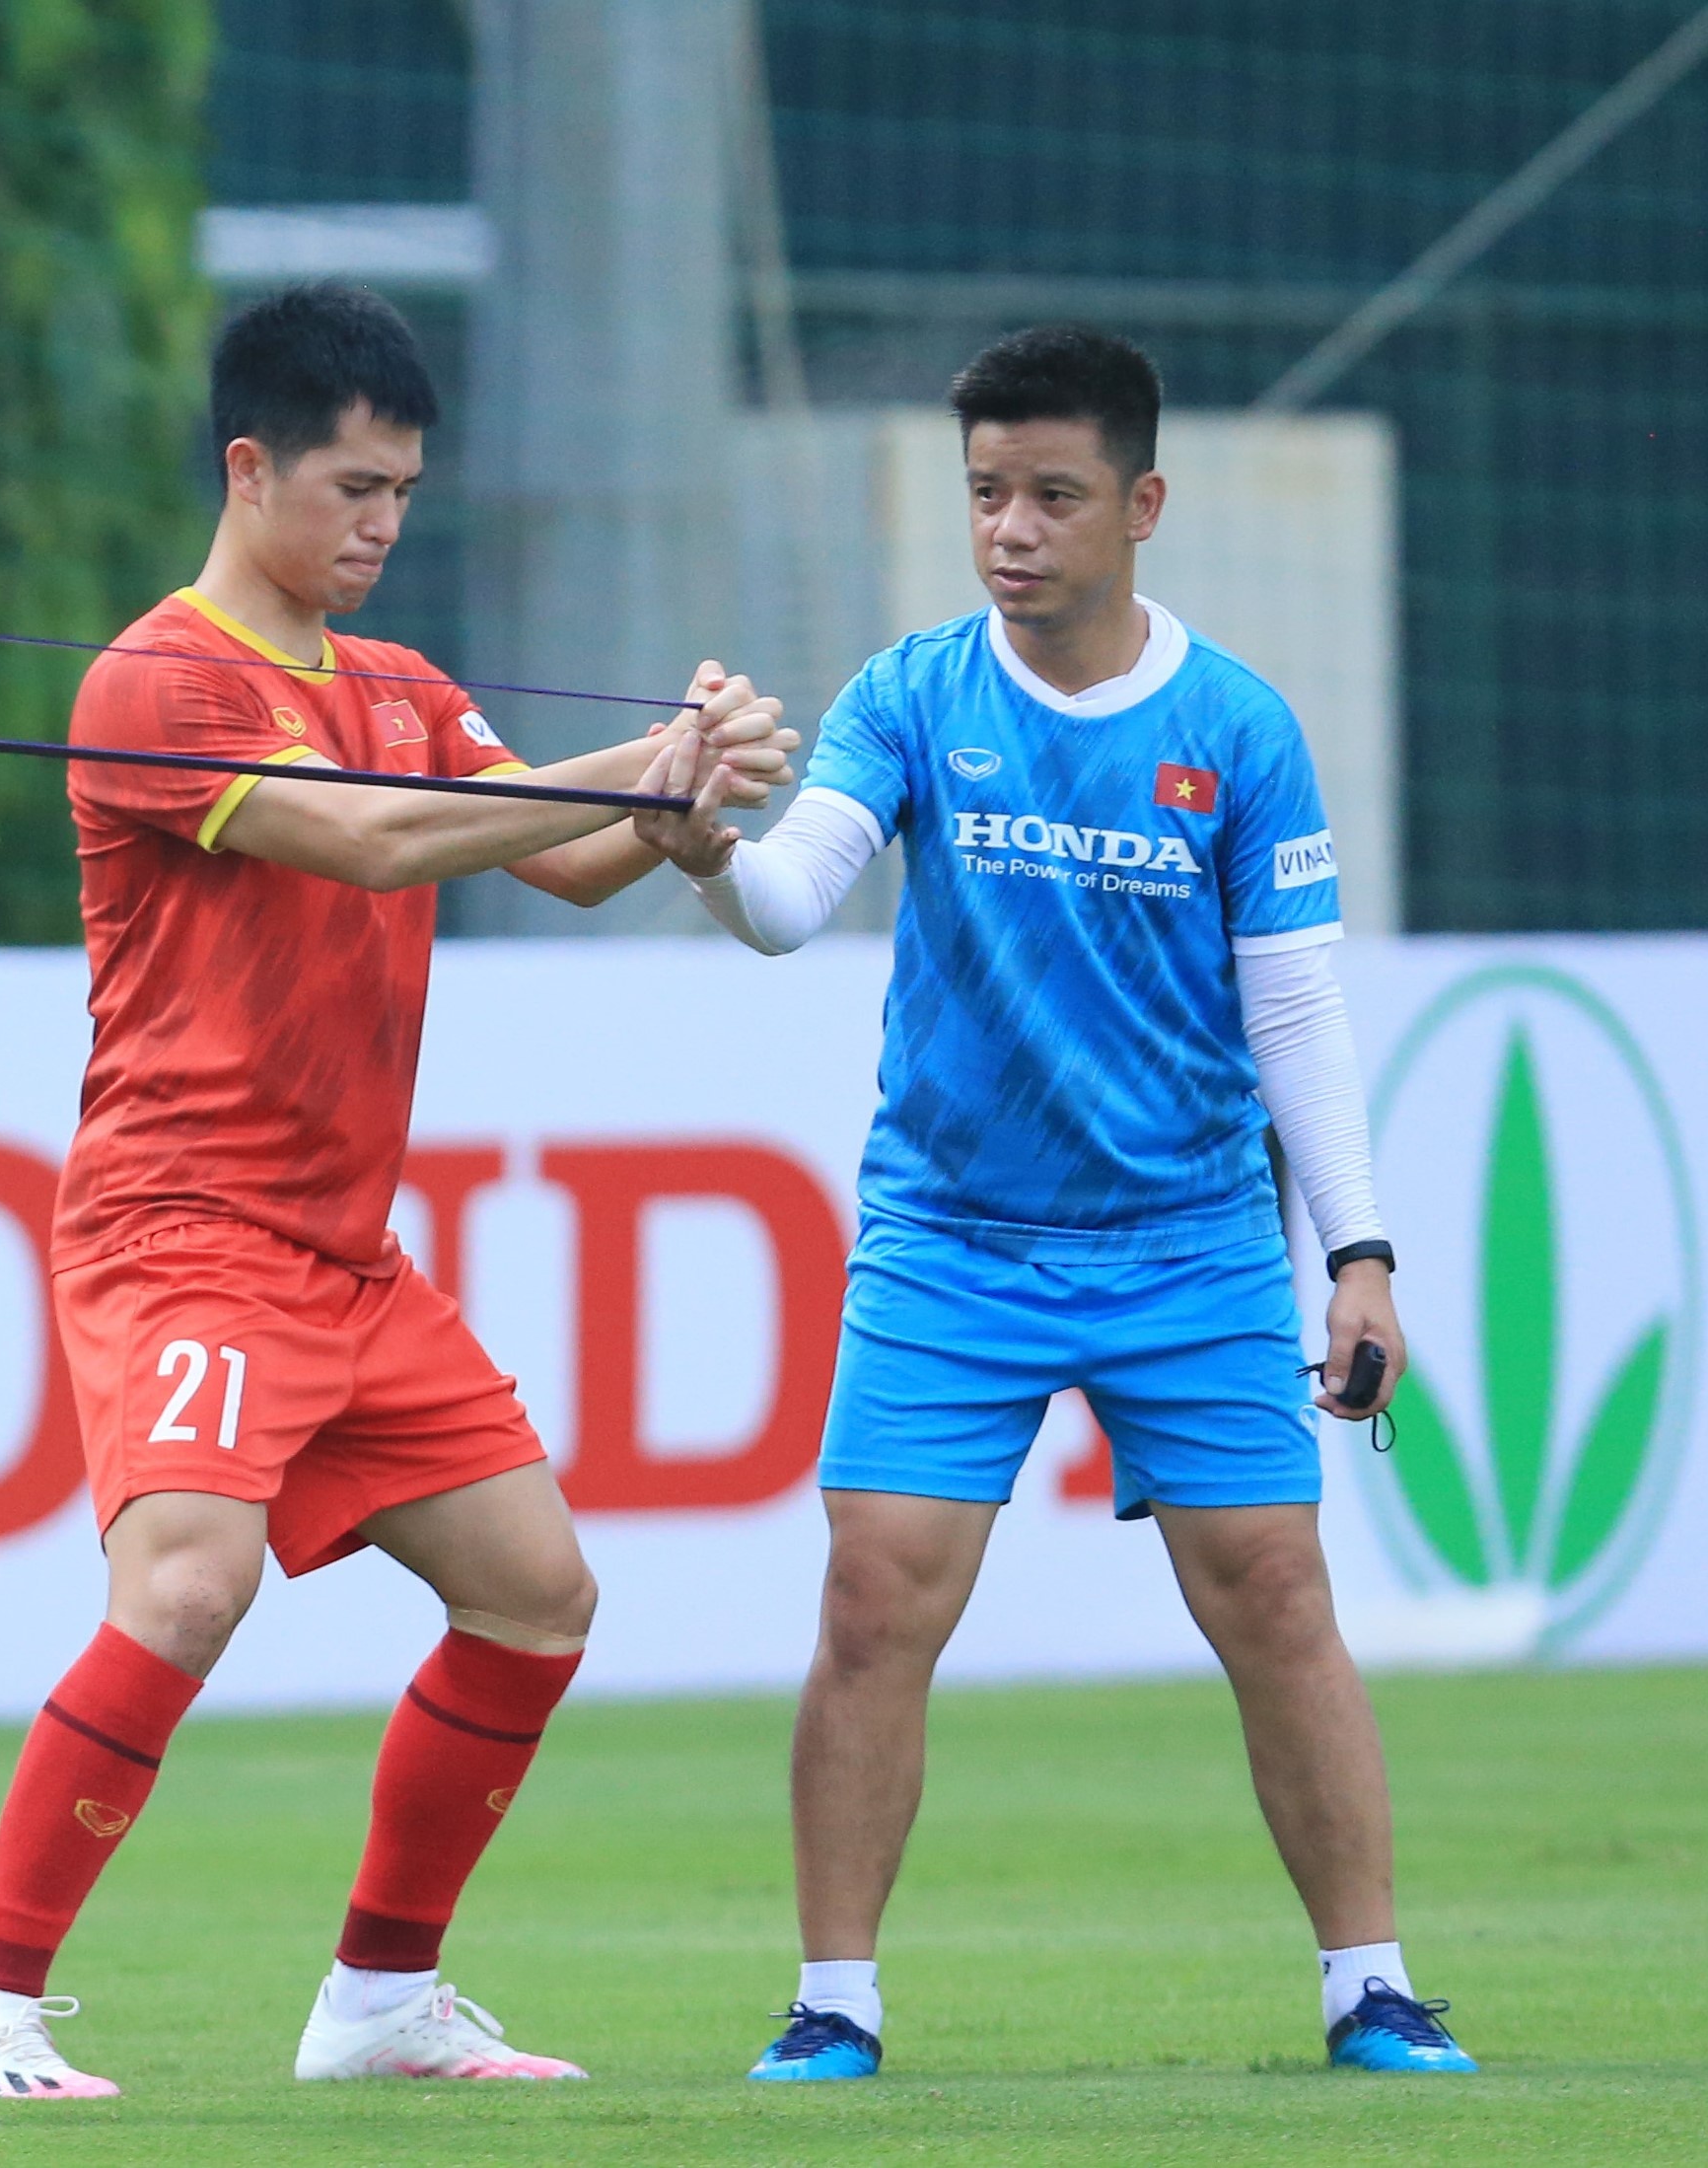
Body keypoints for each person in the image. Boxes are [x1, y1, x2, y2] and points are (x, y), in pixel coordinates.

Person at [0, 280, 792, 2101]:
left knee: (538, 1591)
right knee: (183, 1588)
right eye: (354, 488)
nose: (385, 525)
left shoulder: (402, 684)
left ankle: (380, 2000)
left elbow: (567, 869)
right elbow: (382, 835)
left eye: (405, 492)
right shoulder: (157, 678)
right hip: (185, 1233)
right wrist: (649, 767)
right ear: (248, 470)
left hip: (344, 1256)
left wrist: (685, 792)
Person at [635, 325, 1475, 2082]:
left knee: (1274, 1587)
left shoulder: (1238, 726)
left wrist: (1363, 1256)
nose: (1010, 528)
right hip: (953, 1237)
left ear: (1144, 504)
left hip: (1189, 1242)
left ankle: (1374, 1986)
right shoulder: (912, 693)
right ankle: (832, 2004)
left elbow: (1297, 1011)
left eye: (1051, 494)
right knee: (875, 1598)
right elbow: (792, 901)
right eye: (985, 493)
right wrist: (705, 843)